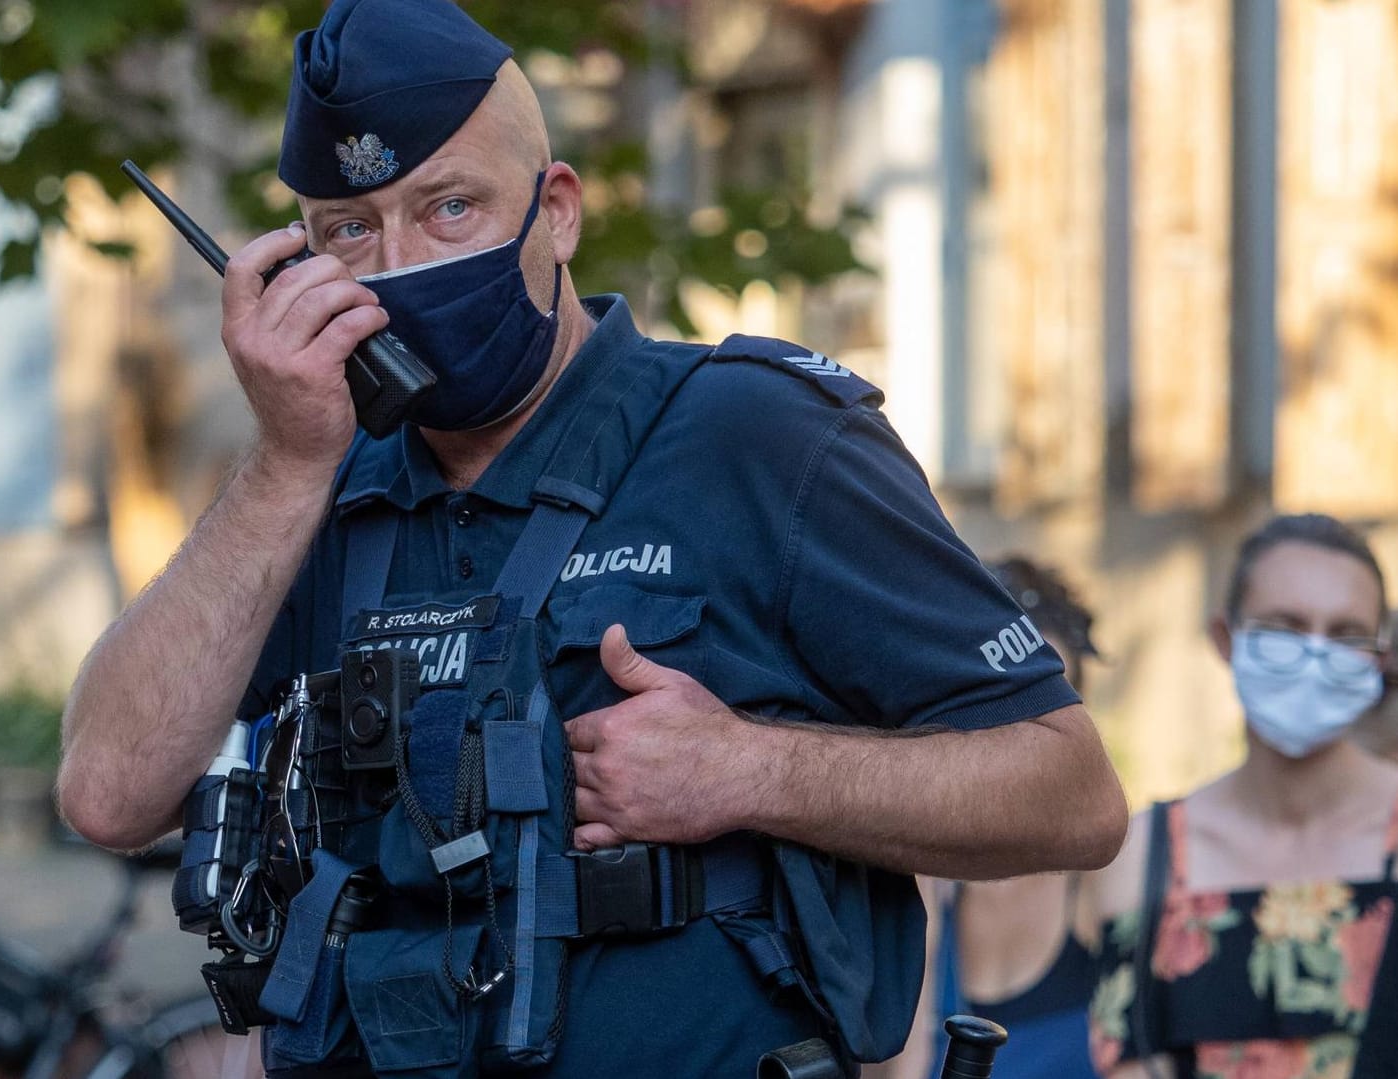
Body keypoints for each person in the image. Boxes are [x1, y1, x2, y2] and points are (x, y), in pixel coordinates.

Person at [56, 1, 1127, 1076]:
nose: (400, 263)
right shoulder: (312, 483)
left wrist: (749, 769)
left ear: (556, 211)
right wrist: (286, 462)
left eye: (450, 208)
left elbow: (1066, 794)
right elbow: (109, 790)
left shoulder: (756, 435)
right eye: (349, 230)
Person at [1088, 513, 1398, 1078]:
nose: (1315, 656)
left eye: (1346, 634)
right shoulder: (1144, 857)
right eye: (1286, 627)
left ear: (1381, 656)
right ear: (1224, 638)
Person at [874, 558, 1105, 1079]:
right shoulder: (907, 887)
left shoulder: (1109, 878)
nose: (1027, 739)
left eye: (1050, 705)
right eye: (1001, 705)